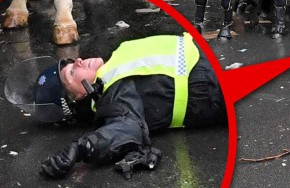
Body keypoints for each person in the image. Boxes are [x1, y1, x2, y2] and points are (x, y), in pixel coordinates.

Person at [5, 32, 226, 179]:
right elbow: (125, 128)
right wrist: (80, 147)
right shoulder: (112, 93)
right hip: (215, 84)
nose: (79, 60)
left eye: (72, 63)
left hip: (211, 61)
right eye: (72, 73)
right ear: (79, 98)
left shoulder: (116, 62)